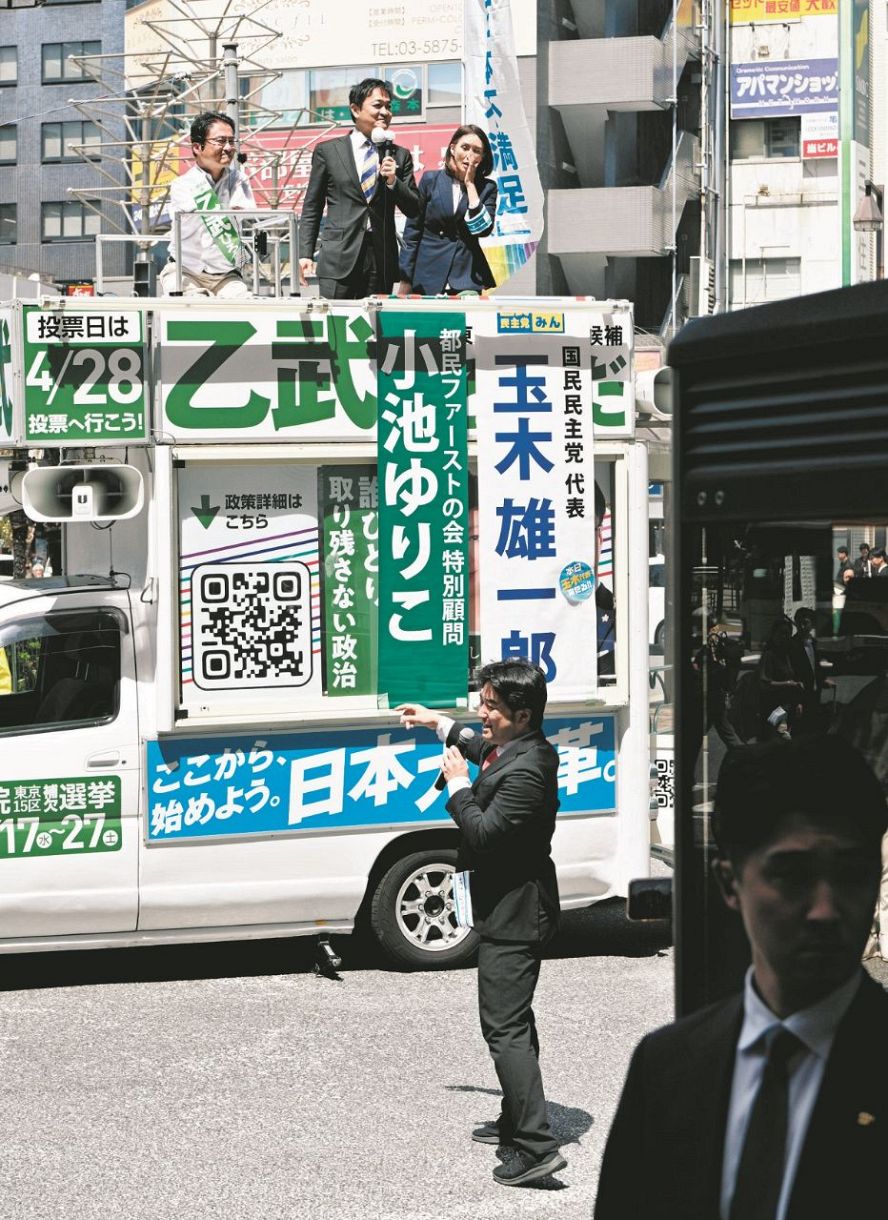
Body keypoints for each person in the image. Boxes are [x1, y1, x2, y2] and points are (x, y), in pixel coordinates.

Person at [595, 734, 888, 1220]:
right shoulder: (665, 1065)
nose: (825, 909)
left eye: (852, 873)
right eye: (792, 875)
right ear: (730, 882)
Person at [398, 659, 567, 1188]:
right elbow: (478, 745)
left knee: (504, 1026)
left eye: (491, 705)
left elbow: (486, 831)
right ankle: (516, 1118)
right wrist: (434, 722)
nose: (481, 711)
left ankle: (536, 1148)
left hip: (517, 914)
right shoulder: (516, 747)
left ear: (521, 714)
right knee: (514, 1020)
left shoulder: (528, 770)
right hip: (505, 906)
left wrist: (457, 787)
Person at [298, 78, 420, 298]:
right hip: (338, 258)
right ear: (355, 109)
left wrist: (393, 182)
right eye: (377, 105)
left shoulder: (399, 155)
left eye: (389, 106)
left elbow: (415, 208)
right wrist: (304, 253)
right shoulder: (328, 151)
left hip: (380, 260)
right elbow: (312, 207)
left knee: (372, 328)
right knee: (335, 327)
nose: (385, 112)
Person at [160, 112, 255, 298]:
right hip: (185, 271)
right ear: (197, 147)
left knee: (244, 304)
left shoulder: (238, 179)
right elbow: (209, 215)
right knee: (192, 306)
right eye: (220, 141)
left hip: (225, 275)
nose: (228, 147)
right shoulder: (183, 184)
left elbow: (244, 212)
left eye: (231, 141)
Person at [398, 124, 497, 296]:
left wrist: (470, 184)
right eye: (464, 148)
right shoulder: (430, 180)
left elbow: (483, 229)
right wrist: (405, 278)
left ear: (482, 157)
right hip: (427, 274)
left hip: (466, 276)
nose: (469, 155)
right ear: (452, 148)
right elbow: (412, 231)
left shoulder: (487, 188)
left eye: (476, 151)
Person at [693, 624, 745, 748]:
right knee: (721, 728)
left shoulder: (712, 648)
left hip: (713, 695)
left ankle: (742, 753)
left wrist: (700, 675)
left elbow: (696, 665)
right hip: (717, 694)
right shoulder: (717, 647)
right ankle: (741, 751)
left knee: (722, 729)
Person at [757, 617, 803, 740]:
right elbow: (764, 684)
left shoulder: (788, 655)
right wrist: (788, 683)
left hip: (787, 708)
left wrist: (798, 702)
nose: (784, 637)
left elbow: (795, 678)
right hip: (773, 709)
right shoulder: (769, 656)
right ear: (773, 634)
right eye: (781, 633)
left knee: (784, 740)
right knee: (780, 740)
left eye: (787, 634)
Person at [788, 607, 833, 733]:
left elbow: (815, 666)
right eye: (799, 622)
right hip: (799, 695)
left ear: (812, 624)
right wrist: (796, 702)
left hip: (814, 692)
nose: (802, 626)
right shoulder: (792, 645)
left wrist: (823, 680)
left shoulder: (814, 643)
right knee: (798, 730)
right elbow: (791, 674)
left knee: (812, 727)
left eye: (805, 623)